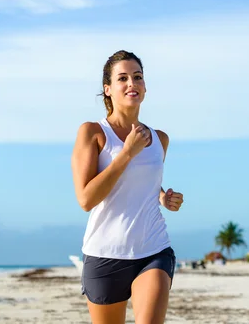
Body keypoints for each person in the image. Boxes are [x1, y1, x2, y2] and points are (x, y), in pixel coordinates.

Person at [71, 50, 184, 324]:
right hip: (104, 254)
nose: (131, 83)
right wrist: (126, 153)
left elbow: (142, 183)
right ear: (107, 90)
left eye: (137, 77)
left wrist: (163, 197)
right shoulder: (93, 133)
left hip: (153, 249)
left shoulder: (160, 139)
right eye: (123, 78)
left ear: (144, 87)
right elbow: (86, 199)